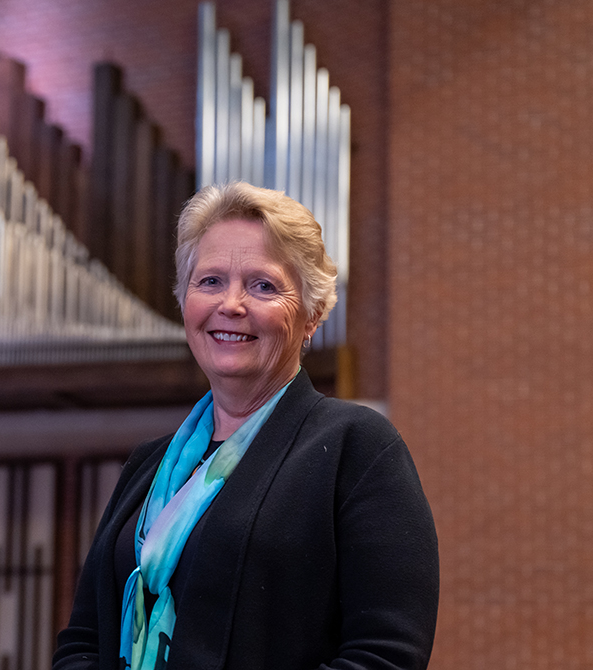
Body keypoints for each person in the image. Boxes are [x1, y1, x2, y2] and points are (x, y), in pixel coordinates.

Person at [53, 182, 439, 670]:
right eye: (210, 281)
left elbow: (385, 657)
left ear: (312, 314)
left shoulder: (355, 448)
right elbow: (84, 641)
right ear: (184, 301)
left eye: (263, 286)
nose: (230, 304)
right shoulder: (147, 467)